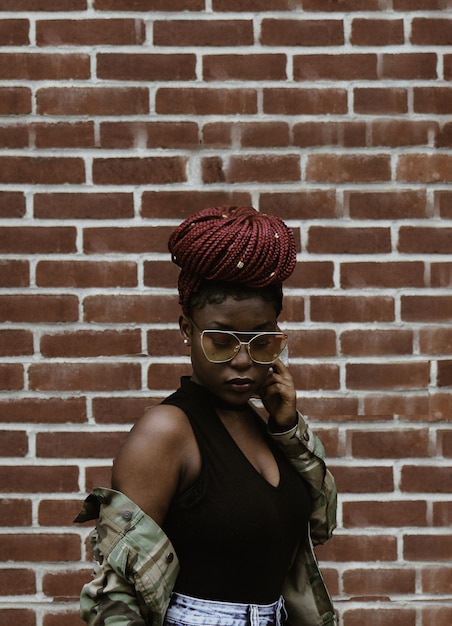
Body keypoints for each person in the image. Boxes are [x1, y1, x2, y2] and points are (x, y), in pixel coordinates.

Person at [75, 206, 338, 626]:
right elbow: (116, 597)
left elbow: (322, 523)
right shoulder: (166, 433)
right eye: (221, 341)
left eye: (263, 342)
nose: (243, 361)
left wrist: (289, 429)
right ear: (187, 330)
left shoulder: (265, 425)